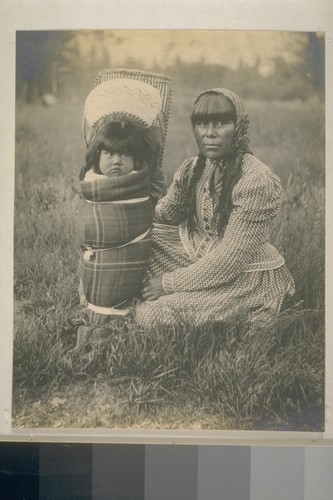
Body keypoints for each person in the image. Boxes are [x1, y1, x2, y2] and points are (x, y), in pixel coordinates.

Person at [136, 88, 295, 328]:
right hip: (198, 252)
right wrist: (132, 197)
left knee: (153, 314)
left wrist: (168, 284)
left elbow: (230, 261)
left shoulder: (256, 180)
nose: (209, 133)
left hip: (245, 274)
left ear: (238, 126)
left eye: (220, 123)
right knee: (135, 244)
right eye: (201, 124)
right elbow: (163, 217)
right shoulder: (193, 169)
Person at [76, 121, 154, 344]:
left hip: (129, 260)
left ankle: (105, 327)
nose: (117, 161)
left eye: (125, 154)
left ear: (137, 160)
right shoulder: (92, 185)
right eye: (109, 153)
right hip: (95, 261)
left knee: (114, 296)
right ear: (97, 156)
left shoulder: (139, 187)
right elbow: (88, 230)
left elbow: (134, 224)